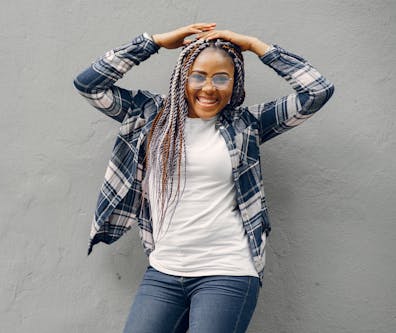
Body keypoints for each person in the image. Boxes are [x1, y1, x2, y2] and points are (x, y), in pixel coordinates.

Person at [73, 23, 334, 333]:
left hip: (228, 272)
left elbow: (316, 91)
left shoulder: (246, 125)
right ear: (182, 77)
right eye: (198, 76)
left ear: (235, 84)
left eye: (221, 78)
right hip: (164, 271)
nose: (209, 88)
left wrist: (253, 45)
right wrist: (153, 42)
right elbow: (89, 85)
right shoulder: (150, 117)